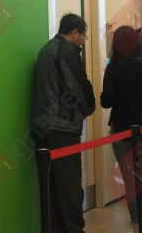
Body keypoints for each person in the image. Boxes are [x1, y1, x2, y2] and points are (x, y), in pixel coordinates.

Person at [30, 13, 96, 233]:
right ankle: (74, 229)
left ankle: (55, 228)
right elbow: (78, 85)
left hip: (42, 126)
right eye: (83, 36)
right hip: (62, 127)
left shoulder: (47, 49)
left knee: (51, 186)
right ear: (75, 32)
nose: (82, 41)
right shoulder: (67, 51)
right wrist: (88, 108)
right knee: (69, 185)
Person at [101, 26, 142, 233]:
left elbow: (106, 101)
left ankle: (137, 226)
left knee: (130, 182)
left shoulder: (113, 69)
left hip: (122, 132)